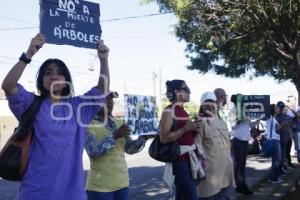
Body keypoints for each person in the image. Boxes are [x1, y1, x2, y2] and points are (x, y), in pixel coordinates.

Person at [1, 33, 109, 200]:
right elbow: (8, 85)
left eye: (59, 72)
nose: (54, 76)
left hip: (72, 195)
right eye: (48, 73)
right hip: (35, 194)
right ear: (42, 80)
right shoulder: (30, 103)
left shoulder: (78, 107)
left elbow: (102, 90)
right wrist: (28, 54)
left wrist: (103, 60)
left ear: (66, 79)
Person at [85, 91, 147, 200]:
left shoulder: (120, 122)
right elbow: (92, 151)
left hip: (122, 184)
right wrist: (115, 136)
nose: (109, 103)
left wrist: (144, 138)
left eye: (111, 100)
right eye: (105, 100)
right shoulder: (88, 124)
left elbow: (129, 149)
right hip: (99, 188)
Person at [159, 79, 197, 200]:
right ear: (176, 91)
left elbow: (184, 136)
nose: (189, 92)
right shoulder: (169, 111)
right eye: (186, 89)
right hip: (179, 161)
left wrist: (194, 130)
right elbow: (164, 138)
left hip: (187, 159)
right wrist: (185, 129)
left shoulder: (183, 111)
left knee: (182, 196)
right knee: (190, 196)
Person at [195, 92, 235, 200]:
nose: (210, 106)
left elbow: (227, 143)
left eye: (212, 103)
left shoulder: (221, 122)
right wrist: (201, 163)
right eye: (207, 103)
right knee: (209, 195)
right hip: (210, 172)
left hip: (225, 169)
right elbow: (196, 145)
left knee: (222, 195)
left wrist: (230, 158)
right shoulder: (200, 122)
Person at [230, 94, 258, 195]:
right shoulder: (233, 110)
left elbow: (251, 124)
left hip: (245, 140)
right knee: (239, 164)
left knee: (242, 164)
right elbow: (232, 126)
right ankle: (240, 185)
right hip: (237, 140)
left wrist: (259, 119)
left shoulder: (245, 110)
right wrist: (240, 119)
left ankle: (241, 184)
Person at [266, 104, 282, 183]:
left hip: (275, 139)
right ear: (273, 110)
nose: (278, 109)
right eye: (276, 107)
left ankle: (271, 177)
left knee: (275, 160)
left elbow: (276, 129)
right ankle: (274, 178)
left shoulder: (273, 118)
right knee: (277, 160)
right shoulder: (269, 117)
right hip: (274, 140)